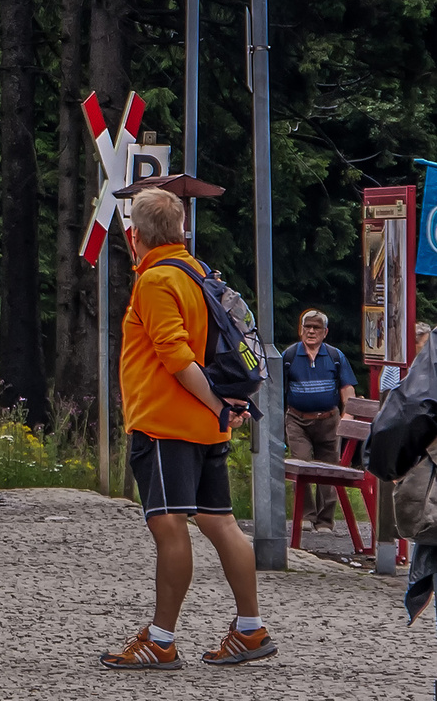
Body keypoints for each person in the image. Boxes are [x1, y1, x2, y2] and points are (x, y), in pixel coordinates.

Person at [102, 188, 275, 670]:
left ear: (135, 235)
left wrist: (220, 405)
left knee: (168, 525)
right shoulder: (200, 273)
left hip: (166, 424)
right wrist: (224, 408)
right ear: (182, 230)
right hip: (204, 428)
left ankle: (160, 640)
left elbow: (177, 358)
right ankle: (250, 627)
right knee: (220, 522)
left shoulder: (156, 280)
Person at [282, 309, 358, 534]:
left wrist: (348, 416)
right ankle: (305, 516)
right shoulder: (289, 356)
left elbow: (347, 388)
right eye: (307, 327)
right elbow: (278, 389)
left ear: (325, 332)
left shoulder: (335, 356)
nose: (311, 331)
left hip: (328, 419)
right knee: (302, 464)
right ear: (300, 330)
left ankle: (325, 521)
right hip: (297, 419)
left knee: (328, 469)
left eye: (316, 328)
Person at [380, 322, 431, 393]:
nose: (429, 346)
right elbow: (390, 390)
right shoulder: (396, 361)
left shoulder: (424, 360)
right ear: (414, 343)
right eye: (425, 343)